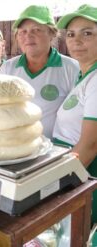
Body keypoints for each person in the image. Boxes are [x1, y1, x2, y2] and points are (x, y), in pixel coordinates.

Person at [0, 5, 80, 138]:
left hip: (56, 150)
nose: (28, 36)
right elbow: (0, 109)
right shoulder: (8, 68)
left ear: (52, 33)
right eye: (22, 31)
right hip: (16, 144)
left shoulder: (71, 68)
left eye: (36, 30)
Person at [53, 4, 97, 223]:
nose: (76, 41)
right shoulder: (85, 75)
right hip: (74, 168)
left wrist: (59, 188)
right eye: (71, 34)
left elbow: (91, 145)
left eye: (87, 33)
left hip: (83, 174)